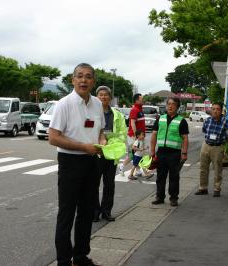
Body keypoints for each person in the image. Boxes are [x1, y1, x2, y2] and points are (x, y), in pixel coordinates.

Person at [48, 63, 105, 266]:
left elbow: (100, 131)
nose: (83, 80)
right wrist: (83, 147)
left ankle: (80, 257)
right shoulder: (64, 104)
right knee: (67, 213)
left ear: (93, 81)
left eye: (88, 77)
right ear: (72, 80)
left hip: (91, 162)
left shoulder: (98, 103)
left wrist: (103, 141)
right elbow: (53, 138)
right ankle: (63, 261)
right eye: (79, 76)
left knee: (87, 212)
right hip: (70, 162)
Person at [93, 86, 127, 223]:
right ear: (96, 97)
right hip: (96, 153)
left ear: (110, 98)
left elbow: (122, 133)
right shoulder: (91, 112)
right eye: (100, 95)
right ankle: (94, 212)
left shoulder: (117, 114)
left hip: (111, 154)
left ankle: (106, 212)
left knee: (109, 185)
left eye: (106, 95)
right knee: (93, 185)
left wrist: (108, 141)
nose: (103, 97)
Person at [150, 97, 189, 206]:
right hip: (161, 152)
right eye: (169, 104)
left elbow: (185, 138)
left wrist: (184, 153)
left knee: (174, 176)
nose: (170, 106)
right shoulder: (160, 119)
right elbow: (154, 135)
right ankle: (160, 197)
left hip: (174, 153)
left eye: (173, 104)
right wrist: (152, 151)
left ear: (177, 107)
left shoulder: (181, 121)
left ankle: (173, 198)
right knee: (160, 176)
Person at [195, 102, 228, 197]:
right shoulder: (207, 120)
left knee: (217, 169)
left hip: (218, 147)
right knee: (203, 168)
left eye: (217, 109)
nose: (215, 111)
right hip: (206, 145)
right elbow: (204, 130)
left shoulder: (225, 122)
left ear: (221, 111)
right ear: (211, 110)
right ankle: (203, 188)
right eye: (213, 109)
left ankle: (217, 189)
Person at [119, 93, 145, 176]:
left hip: (139, 136)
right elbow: (132, 123)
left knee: (137, 154)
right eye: (141, 99)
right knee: (132, 154)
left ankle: (137, 170)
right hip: (133, 136)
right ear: (137, 100)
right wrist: (136, 136)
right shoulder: (134, 110)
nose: (143, 100)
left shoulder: (140, 109)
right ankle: (122, 166)